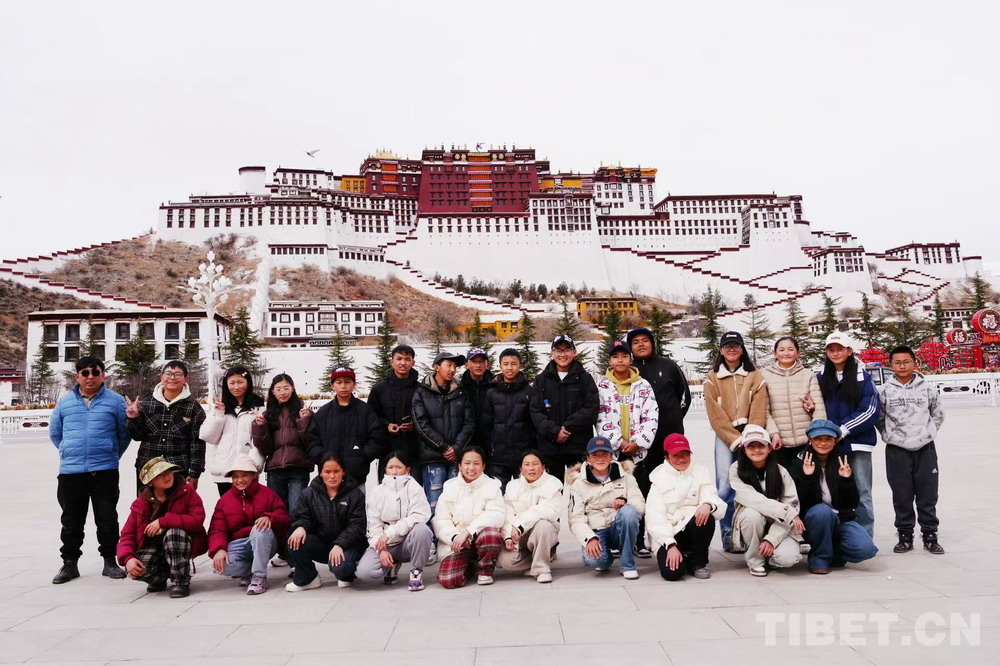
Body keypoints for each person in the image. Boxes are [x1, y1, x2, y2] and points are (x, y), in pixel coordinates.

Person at [50, 356, 131, 584]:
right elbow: (56, 434)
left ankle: (110, 561)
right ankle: (69, 564)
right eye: (85, 373)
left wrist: (110, 453)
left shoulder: (116, 401)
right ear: (77, 376)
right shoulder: (64, 402)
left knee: (107, 518)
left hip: (104, 470)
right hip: (71, 472)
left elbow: (124, 434)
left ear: (103, 375)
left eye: (95, 372)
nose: (90, 377)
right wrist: (69, 451)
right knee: (71, 521)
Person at [703, 331, 769, 551]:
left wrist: (751, 436)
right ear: (721, 350)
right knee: (724, 485)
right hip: (725, 436)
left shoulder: (755, 376)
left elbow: (759, 407)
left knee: (751, 483)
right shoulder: (712, 377)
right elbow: (715, 414)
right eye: (727, 346)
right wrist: (734, 438)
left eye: (736, 346)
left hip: (751, 435)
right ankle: (727, 532)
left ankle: (750, 533)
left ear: (742, 350)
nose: (732, 350)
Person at [877, 346, 946, 555]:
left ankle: (930, 535)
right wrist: (890, 436)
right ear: (890, 365)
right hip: (896, 449)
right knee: (901, 494)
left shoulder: (927, 388)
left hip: (925, 448)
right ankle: (905, 535)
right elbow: (879, 418)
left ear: (915, 363)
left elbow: (938, 414)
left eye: (906, 361)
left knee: (928, 493)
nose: (902, 366)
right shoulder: (883, 391)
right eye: (897, 362)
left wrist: (927, 434)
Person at [788, 419, 878, 574]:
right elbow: (799, 502)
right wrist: (807, 478)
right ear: (810, 439)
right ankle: (819, 559)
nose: (823, 443)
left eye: (828, 439)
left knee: (866, 549)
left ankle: (834, 553)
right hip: (814, 520)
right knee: (822, 511)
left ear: (835, 440)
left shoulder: (842, 460)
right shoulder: (799, 462)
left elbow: (852, 502)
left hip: (840, 518)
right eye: (818, 438)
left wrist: (846, 480)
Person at [596, 339, 659, 557]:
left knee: (639, 494)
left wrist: (637, 441)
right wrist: (618, 442)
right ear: (610, 360)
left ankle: (639, 541)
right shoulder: (602, 386)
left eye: (624, 356)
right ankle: (616, 539)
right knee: (613, 495)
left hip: (637, 453)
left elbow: (651, 416)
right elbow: (601, 417)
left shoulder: (643, 385)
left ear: (631, 359)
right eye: (615, 357)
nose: (620, 360)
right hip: (614, 453)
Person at [817, 331, 879, 537]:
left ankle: (865, 536)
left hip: (857, 444)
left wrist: (841, 430)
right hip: (829, 445)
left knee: (862, 491)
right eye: (831, 350)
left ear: (849, 351)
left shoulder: (863, 378)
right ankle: (838, 536)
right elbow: (817, 405)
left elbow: (869, 411)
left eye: (840, 349)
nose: (835, 353)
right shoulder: (820, 377)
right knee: (830, 489)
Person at [117, 457, 208, 597]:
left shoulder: (186, 491)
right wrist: (127, 558)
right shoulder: (141, 503)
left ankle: (180, 581)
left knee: (174, 533)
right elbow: (127, 534)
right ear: (150, 482)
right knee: (138, 567)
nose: (166, 477)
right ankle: (158, 579)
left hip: (180, 544)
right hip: (155, 547)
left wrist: (163, 521)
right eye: (159, 475)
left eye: (168, 472)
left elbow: (197, 519)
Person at [252, 373, 313, 566]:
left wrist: (305, 420)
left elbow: (309, 442)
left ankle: (297, 556)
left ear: (293, 388)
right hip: (275, 470)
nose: (282, 392)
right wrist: (260, 427)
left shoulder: (302, 410)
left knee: (296, 510)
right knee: (279, 512)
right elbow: (264, 448)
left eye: (286, 388)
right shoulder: (268, 414)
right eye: (278, 389)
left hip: (298, 468)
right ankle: (284, 553)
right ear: (272, 392)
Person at [646, 434, 726, 581]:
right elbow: (654, 518)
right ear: (667, 457)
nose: (681, 459)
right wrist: (670, 544)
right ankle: (682, 557)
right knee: (672, 574)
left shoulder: (700, 471)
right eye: (676, 455)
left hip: (692, 527)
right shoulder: (658, 478)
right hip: (668, 534)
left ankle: (697, 562)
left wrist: (708, 504)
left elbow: (713, 497)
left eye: (685, 454)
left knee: (706, 514)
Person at [207, 456, 291, 595]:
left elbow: (285, 518)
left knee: (259, 529)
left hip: (263, 541)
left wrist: (270, 517)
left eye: (245, 475)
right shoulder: (224, 501)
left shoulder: (267, 494)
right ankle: (248, 572)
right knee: (219, 566)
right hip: (239, 544)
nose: (240, 480)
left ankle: (259, 576)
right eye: (235, 476)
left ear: (253, 475)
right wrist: (219, 549)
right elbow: (217, 529)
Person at [567, 436, 646, 580]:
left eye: (604, 454)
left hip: (619, 527)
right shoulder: (577, 483)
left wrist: (625, 501)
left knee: (629, 513)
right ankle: (599, 553)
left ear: (611, 456)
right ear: (588, 458)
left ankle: (627, 564)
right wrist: (589, 538)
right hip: (596, 531)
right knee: (598, 562)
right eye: (595, 455)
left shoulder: (626, 476)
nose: (600, 459)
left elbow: (640, 504)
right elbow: (575, 518)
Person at [285, 454, 368, 591]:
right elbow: (304, 517)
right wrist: (301, 527)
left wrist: (340, 544)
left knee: (340, 568)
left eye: (336, 471)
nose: (332, 476)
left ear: (343, 472)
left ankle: (347, 575)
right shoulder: (309, 493)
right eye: (327, 472)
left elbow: (357, 526)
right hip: (323, 543)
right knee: (294, 540)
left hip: (349, 545)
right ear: (320, 473)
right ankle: (308, 578)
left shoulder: (355, 494)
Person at [729, 425, 803, 576]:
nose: (756, 450)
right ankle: (755, 561)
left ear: (769, 448)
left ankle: (769, 556)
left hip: (779, 525)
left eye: (761, 445)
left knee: (788, 558)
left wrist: (771, 539)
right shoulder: (736, 470)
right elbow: (752, 499)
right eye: (751, 446)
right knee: (751, 514)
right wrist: (786, 512)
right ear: (744, 449)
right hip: (752, 523)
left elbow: (791, 504)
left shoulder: (781, 471)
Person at [356, 452, 433, 592]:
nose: (394, 471)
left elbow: (419, 515)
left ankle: (416, 571)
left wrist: (390, 533)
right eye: (390, 467)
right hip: (386, 544)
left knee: (423, 530)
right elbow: (373, 525)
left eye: (398, 467)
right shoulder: (377, 492)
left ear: (407, 469)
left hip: (407, 541)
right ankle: (392, 565)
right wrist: (381, 550)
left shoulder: (415, 488)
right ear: (385, 469)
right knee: (364, 572)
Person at [126, 360, 206, 494]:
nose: (172, 378)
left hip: (178, 469)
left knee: (177, 506)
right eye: (168, 374)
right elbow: (137, 436)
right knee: (146, 506)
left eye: (177, 374)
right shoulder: (147, 403)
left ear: (186, 379)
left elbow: (197, 443)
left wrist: (195, 473)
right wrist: (133, 418)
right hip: (148, 467)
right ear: (161, 377)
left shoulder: (193, 407)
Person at [529, 335, 600, 482]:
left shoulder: (585, 379)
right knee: (552, 489)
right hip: (550, 447)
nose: (563, 354)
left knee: (582, 487)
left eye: (567, 350)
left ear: (574, 352)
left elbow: (591, 408)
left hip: (578, 446)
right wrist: (554, 431)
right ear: (552, 353)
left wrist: (567, 427)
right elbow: (535, 411)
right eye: (558, 350)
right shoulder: (541, 380)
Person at [433, 446, 505, 588]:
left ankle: (484, 570)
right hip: (458, 542)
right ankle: (471, 566)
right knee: (449, 581)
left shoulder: (492, 486)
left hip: (480, 538)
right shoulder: (450, 487)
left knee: (491, 534)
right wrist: (454, 536)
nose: (471, 468)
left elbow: (497, 515)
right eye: (467, 463)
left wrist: (468, 532)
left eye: (476, 463)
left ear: (483, 466)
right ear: (459, 465)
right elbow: (441, 519)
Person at [413, 352, 475, 513]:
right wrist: (444, 447)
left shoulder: (460, 391)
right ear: (436, 367)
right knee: (434, 504)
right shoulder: (422, 392)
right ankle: (434, 531)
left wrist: (456, 448)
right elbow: (421, 424)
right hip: (432, 457)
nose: (452, 369)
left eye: (455, 366)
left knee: (457, 504)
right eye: (449, 365)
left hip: (456, 457)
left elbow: (469, 423)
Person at [306, 367, 384, 488]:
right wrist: (324, 459)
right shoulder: (323, 413)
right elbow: (312, 441)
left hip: (356, 478)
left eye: (347, 382)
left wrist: (361, 457)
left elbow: (377, 437)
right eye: (339, 382)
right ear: (332, 386)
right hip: (330, 479)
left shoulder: (365, 411)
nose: (343, 386)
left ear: (354, 384)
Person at [497, 450, 563, 583]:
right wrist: (508, 535)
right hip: (519, 537)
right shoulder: (512, 485)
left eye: (535, 464)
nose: (531, 468)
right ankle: (539, 557)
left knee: (543, 525)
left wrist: (519, 525)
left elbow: (545, 510)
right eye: (527, 464)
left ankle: (541, 569)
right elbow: (507, 512)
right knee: (505, 561)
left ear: (543, 467)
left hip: (542, 534)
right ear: (521, 469)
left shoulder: (553, 483)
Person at [762, 336, 827, 469]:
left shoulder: (808, 375)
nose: (786, 353)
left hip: (806, 441)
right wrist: (773, 434)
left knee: (807, 477)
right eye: (781, 350)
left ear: (798, 353)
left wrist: (816, 435)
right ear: (775, 354)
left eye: (790, 349)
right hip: (779, 442)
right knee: (781, 478)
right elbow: (764, 410)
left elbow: (819, 409)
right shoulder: (764, 376)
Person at [202, 366, 266, 496]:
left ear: (248, 383)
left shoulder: (258, 407)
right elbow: (208, 436)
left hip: (247, 470)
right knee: (228, 506)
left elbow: (260, 440)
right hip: (224, 470)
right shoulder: (221, 406)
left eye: (240, 382)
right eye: (232, 383)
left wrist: (253, 465)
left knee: (250, 505)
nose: (236, 387)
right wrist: (218, 414)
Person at [482, 348, 535, 490]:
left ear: (520, 365)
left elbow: (533, 423)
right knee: (497, 493)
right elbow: (486, 425)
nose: (510, 368)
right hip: (498, 455)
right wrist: (490, 448)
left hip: (523, 454)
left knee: (524, 493)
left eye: (514, 364)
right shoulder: (491, 393)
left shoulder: (529, 391)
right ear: (500, 366)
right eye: (506, 364)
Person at [367, 345, 420, 482]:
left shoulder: (420, 389)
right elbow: (371, 417)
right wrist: (387, 425)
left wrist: (414, 425)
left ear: (413, 363)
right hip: (387, 449)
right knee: (387, 490)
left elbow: (427, 417)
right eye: (399, 359)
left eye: (407, 359)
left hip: (414, 450)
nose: (403, 363)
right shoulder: (379, 389)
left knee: (414, 490)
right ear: (392, 362)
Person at [460, 347, 494, 450]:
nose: (478, 365)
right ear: (467, 365)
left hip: (491, 440)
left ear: (487, 364)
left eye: (482, 361)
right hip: (467, 441)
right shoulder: (460, 388)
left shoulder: (495, 386)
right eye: (474, 361)